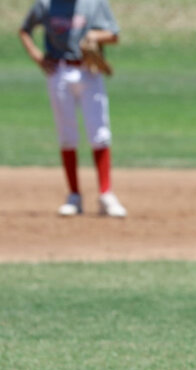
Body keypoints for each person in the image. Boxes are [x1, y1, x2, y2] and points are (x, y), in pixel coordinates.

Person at [19, 0, 127, 217]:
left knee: (99, 132)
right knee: (67, 134)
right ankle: (74, 196)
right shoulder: (46, 4)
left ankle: (106, 194)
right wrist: (37, 56)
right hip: (58, 71)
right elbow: (25, 30)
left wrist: (95, 36)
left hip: (89, 71)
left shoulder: (94, 3)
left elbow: (114, 35)